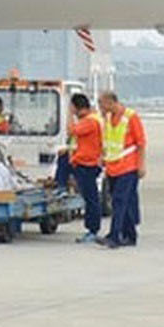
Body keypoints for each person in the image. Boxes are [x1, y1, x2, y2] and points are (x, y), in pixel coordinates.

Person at [98, 89, 145, 248]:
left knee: (119, 202)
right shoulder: (109, 118)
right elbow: (107, 140)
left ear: (111, 102)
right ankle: (130, 235)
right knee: (127, 202)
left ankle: (114, 235)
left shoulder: (131, 117)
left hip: (128, 167)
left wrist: (141, 165)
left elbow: (141, 143)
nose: (100, 107)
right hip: (112, 167)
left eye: (102, 104)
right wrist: (103, 157)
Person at [63, 92, 104, 243]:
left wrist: (69, 113)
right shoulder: (92, 119)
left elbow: (70, 130)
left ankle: (92, 229)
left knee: (91, 198)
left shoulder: (89, 122)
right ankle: (92, 228)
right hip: (84, 161)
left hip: (87, 164)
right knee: (90, 197)